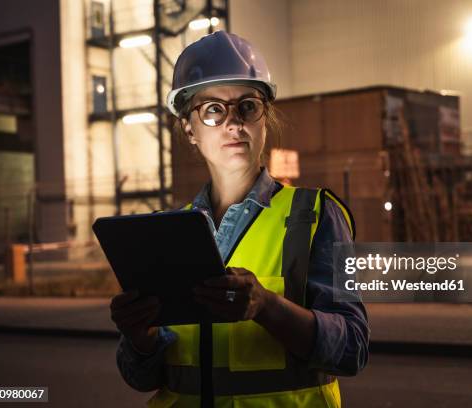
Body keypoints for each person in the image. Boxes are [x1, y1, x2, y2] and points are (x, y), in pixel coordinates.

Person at [110, 31, 369, 408]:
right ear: (189, 129)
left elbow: (353, 349)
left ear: (265, 118)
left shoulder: (314, 215)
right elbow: (140, 377)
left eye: (247, 106)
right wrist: (139, 337)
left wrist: (267, 306)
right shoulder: (166, 232)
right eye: (213, 109)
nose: (233, 123)